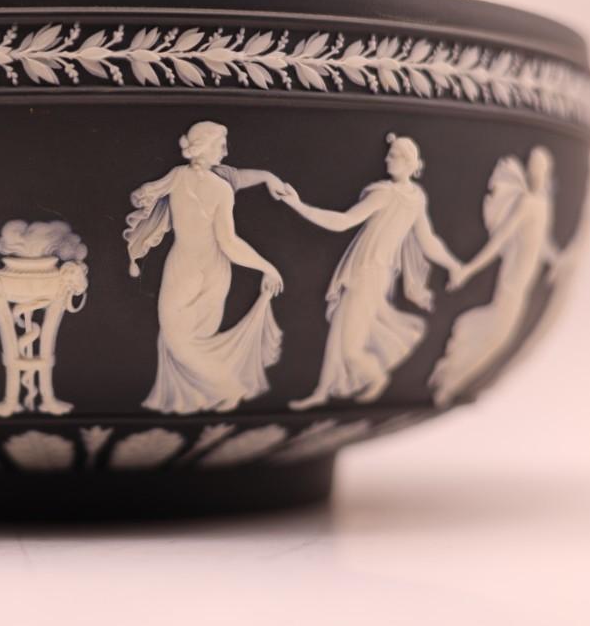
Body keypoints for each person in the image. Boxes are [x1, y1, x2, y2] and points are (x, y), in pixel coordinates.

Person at [280, 133, 462, 410]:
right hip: (375, 273)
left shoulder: (386, 194)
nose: (387, 159)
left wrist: (298, 205)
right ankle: (321, 392)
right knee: (339, 331)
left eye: (393, 155)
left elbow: (343, 221)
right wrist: (453, 265)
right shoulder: (414, 197)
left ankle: (375, 375)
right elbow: (428, 242)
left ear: (408, 162)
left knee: (350, 348)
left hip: (367, 273)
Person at [125, 121, 288, 414]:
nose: (225, 152)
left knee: (181, 340)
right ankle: (208, 392)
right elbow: (234, 182)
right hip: (185, 267)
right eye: (220, 146)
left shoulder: (205, 183)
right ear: (202, 147)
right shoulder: (189, 179)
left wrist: (267, 267)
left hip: (204, 270)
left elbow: (229, 242)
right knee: (179, 338)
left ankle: (229, 387)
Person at [430, 147, 562, 406]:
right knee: (496, 337)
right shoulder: (526, 203)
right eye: (532, 168)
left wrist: (560, 261)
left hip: (523, 285)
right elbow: (499, 241)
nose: (534, 174)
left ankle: (451, 379)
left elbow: (543, 243)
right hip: (511, 284)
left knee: (499, 337)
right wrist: (468, 269)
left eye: (539, 168)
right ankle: (450, 380)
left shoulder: (543, 205)